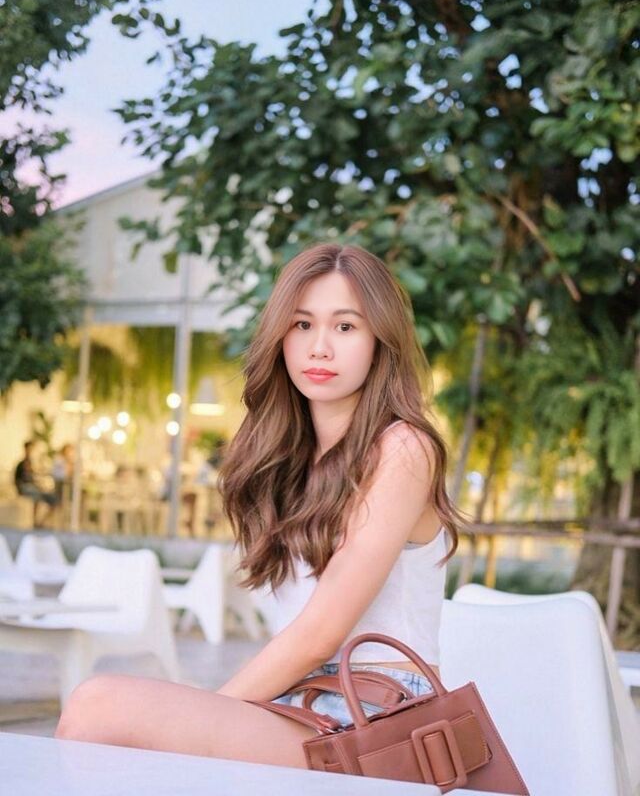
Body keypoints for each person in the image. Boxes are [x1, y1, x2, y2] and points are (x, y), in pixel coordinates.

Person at [55, 243, 463, 769]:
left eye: (345, 327)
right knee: (110, 727)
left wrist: (208, 715)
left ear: (380, 342)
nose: (320, 347)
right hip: (304, 706)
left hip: (380, 719)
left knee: (99, 705)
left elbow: (320, 635)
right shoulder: (288, 463)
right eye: (302, 325)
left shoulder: (403, 449)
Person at [14, 440, 57, 527]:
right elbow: (18, 480)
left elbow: (37, 477)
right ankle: (35, 522)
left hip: (37, 488)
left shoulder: (35, 463)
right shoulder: (21, 464)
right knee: (36, 497)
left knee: (53, 499)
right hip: (25, 487)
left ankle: (41, 522)